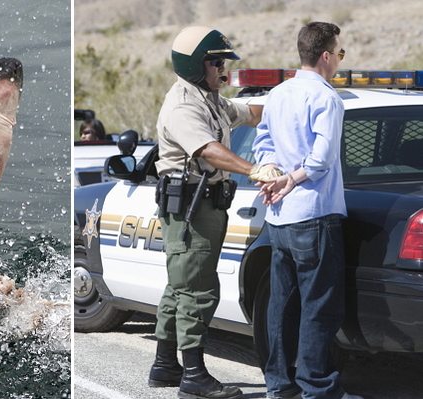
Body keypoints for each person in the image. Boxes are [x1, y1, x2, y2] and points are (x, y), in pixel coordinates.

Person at [149, 26, 276, 399]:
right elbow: (207, 149)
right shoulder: (184, 106)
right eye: (217, 62)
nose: (224, 70)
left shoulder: (211, 99)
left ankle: (165, 365)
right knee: (197, 290)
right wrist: (254, 168)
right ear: (195, 66)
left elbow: (251, 112)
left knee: (179, 286)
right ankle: (194, 376)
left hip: (202, 204)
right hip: (192, 207)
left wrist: (293, 104)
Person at [252, 22, 362, 399]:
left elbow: (263, 141)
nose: (339, 61)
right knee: (320, 307)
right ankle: (317, 388)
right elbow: (323, 158)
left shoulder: (278, 94)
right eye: (340, 54)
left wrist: (272, 175)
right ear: (327, 55)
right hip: (313, 214)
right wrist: (291, 179)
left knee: (281, 306)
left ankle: (279, 386)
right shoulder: (327, 98)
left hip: (278, 216)